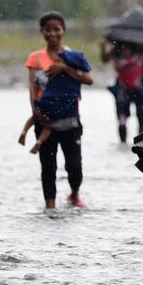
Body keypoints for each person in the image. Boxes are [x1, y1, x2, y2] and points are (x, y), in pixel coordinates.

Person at [26, 12, 93, 210]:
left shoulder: (73, 56)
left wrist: (64, 68)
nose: (52, 33)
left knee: (74, 164)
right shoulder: (35, 58)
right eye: (48, 29)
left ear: (64, 30)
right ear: (42, 32)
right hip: (44, 118)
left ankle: (74, 194)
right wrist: (34, 110)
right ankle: (50, 206)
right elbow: (32, 87)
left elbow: (89, 80)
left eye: (57, 29)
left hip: (70, 119)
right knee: (48, 166)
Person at [100, 39, 143, 142]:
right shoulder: (117, 57)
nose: (125, 51)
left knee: (141, 117)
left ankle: (142, 143)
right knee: (122, 118)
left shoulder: (142, 54)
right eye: (123, 49)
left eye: (127, 49)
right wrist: (104, 48)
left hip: (139, 90)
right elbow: (106, 60)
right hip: (123, 91)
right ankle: (122, 142)